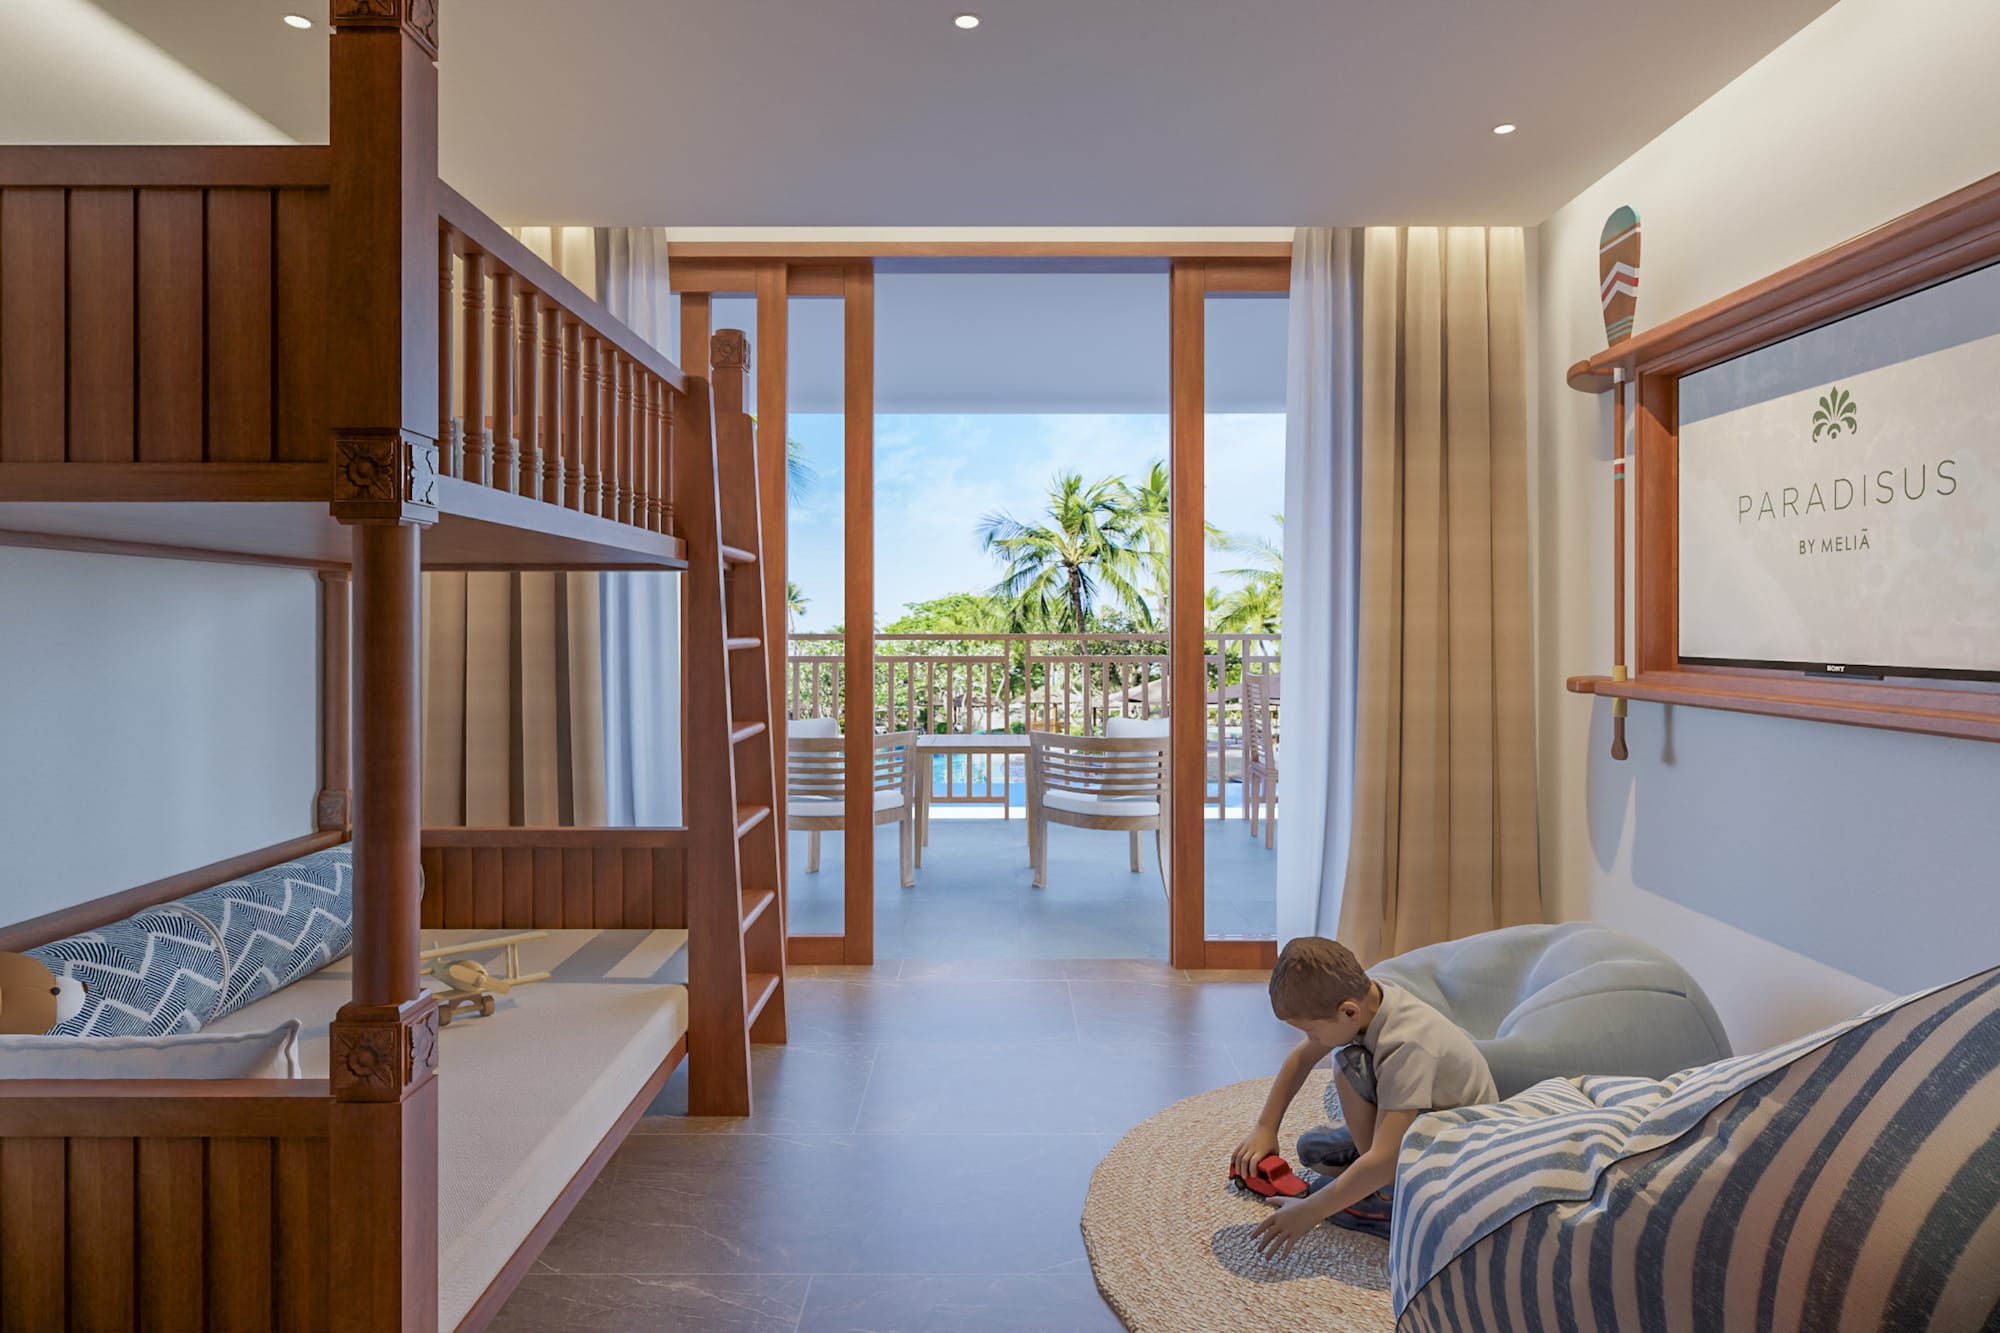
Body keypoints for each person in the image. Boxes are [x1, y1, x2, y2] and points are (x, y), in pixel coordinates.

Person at [1233, 936, 1497, 1258]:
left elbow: (1386, 1160)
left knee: (1348, 1067)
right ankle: (1370, 1179)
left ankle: (1390, 1201)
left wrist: (1309, 1212)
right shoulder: (1367, 1000)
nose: (1310, 1040)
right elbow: (1300, 1059)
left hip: (1455, 1146)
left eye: (1312, 1032)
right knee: (1311, 1150)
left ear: (1348, 1012)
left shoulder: (1406, 1043)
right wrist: (1266, 1127)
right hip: (1420, 1118)